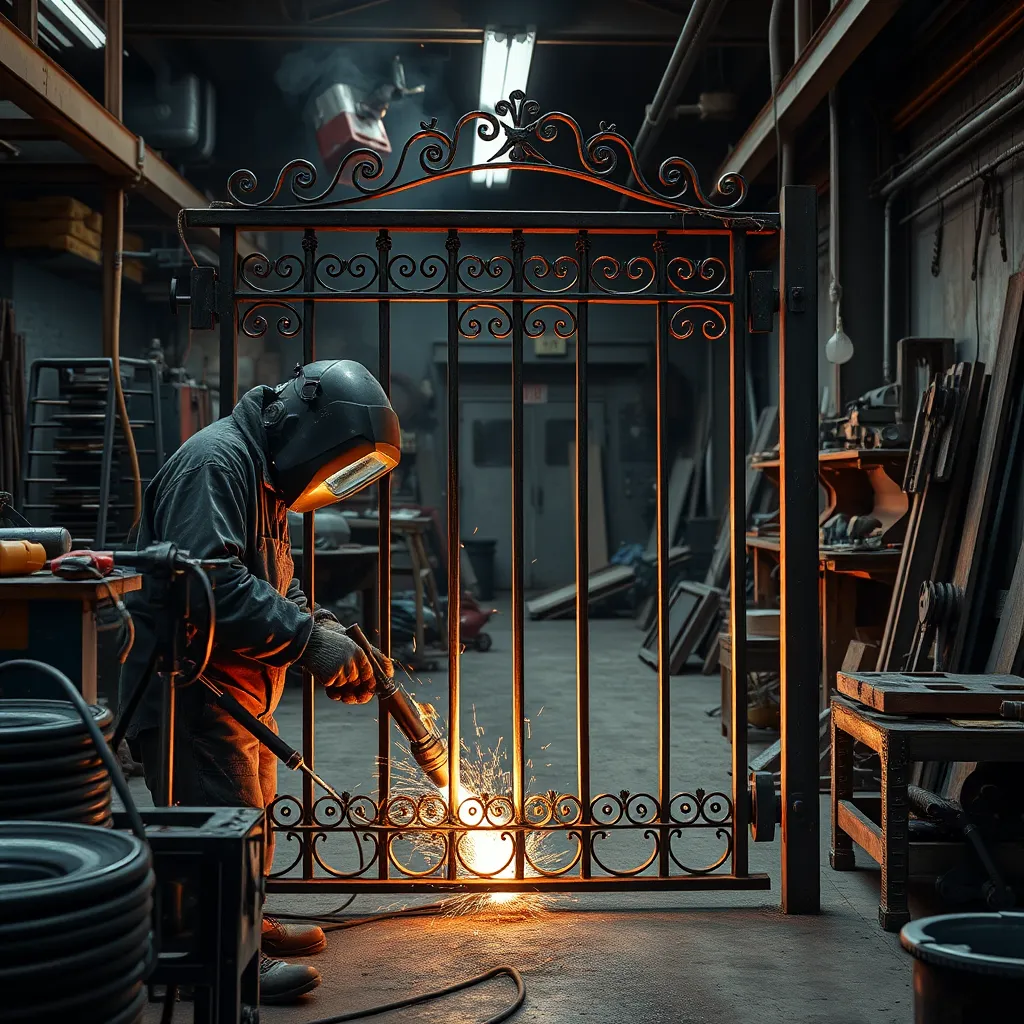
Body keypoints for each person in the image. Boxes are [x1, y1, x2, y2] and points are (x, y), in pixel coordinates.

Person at [119, 359, 401, 1005]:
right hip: (191, 683)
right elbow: (210, 581)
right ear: (303, 426)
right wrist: (306, 643)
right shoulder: (217, 463)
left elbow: (274, 579)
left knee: (248, 816)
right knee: (217, 817)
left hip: (241, 682)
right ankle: (220, 959)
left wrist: (323, 626)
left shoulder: (262, 476)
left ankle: (247, 923)